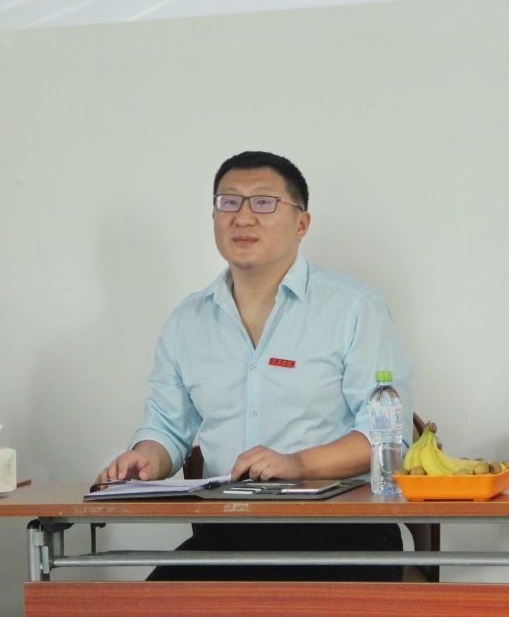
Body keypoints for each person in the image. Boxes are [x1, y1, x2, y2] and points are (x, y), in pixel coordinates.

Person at [98, 151, 413, 581]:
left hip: (343, 530)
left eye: (263, 202)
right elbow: (167, 426)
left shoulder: (354, 308)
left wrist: (299, 464)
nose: (243, 217)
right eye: (228, 201)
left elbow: (387, 438)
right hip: (228, 535)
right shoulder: (188, 321)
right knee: (143, 605)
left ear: (301, 223)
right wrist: (145, 458)